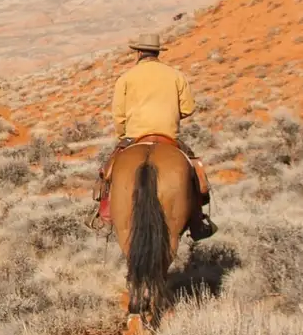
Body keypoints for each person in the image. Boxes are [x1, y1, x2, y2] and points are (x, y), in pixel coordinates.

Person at [91, 31, 216, 239]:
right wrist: (170, 115)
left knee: (108, 172)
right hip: (168, 134)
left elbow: (118, 114)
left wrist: (123, 135)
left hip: (134, 135)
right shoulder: (176, 76)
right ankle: (197, 221)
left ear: (138, 52)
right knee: (196, 171)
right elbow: (188, 108)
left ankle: (104, 215)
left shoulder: (126, 78)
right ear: (157, 52)